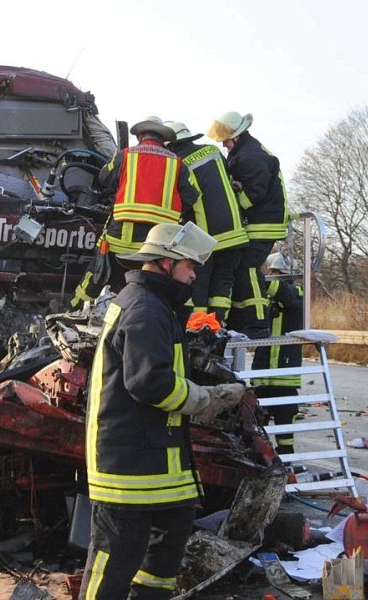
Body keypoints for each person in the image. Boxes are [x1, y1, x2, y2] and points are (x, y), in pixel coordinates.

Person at [79, 222, 247, 599]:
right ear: (164, 262)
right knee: (115, 561)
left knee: (163, 554)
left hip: (154, 466)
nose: (194, 273)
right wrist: (208, 399)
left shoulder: (154, 304)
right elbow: (149, 382)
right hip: (129, 471)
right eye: (189, 264)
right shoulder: (144, 308)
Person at [70, 116, 200, 308]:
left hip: (120, 237)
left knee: (97, 275)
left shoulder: (125, 155)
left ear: (140, 135)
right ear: (163, 139)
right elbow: (191, 195)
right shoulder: (177, 163)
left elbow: (105, 178)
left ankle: (75, 311)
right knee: (154, 286)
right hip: (157, 244)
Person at [206, 112, 289, 338]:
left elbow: (254, 193)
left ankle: (258, 323)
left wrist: (233, 205)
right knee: (242, 270)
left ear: (237, 135)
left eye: (226, 140)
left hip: (263, 223)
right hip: (259, 222)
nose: (224, 145)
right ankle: (244, 321)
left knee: (248, 269)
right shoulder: (246, 152)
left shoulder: (250, 157)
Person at [164, 121, 249, 325]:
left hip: (205, 238)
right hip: (235, 233)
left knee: (199, 286)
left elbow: (187, 198)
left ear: (171, 144)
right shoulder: (212, 151)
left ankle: (198, 331)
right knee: (222, 286)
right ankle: (217, 327)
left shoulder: (178, 162)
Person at [250, 252, 304, 454]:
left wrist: (254, 273)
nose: (272, 274)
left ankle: (286, 457)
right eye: (270, 271)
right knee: (255, 419)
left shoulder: (297, 294)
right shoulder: (267, 299)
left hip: (284, 375)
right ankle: (260, 457)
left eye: (276, 272)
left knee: (285, 416)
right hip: (263, 373)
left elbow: (284, 294)